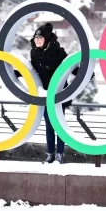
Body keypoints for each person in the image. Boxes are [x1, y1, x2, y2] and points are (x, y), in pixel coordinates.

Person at [21, 23, 78, 164]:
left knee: (59, 125)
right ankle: (50, 153)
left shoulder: (58, 51)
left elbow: (69, 66)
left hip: (58, 94)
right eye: (35, 38)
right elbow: (33, 68)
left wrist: (83, 74)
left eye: (40, 37)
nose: (37, 40)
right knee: (48, 124)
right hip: (45, 93)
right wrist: (18, 73)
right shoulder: (34, 52)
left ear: (46, 39)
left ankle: (60, 154)